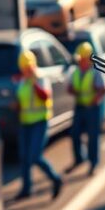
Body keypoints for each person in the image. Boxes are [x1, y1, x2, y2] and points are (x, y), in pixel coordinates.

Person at [15, 49, 63, 201]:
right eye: (24, 67)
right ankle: (26, 189)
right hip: (25, 122)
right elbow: (22, 100)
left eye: (28, 67)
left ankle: (56, 179)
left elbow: (45, 96)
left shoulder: (40, 78)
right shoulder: (21, 81)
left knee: (35, 156)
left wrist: (34, 82)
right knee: (24, 158)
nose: (26, 70)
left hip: (40, 121)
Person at [66, 42, 105, 176]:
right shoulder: (76, 71)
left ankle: (93, 163)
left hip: (93, 108)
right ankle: (79, 158)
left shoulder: (96, 71)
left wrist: (95, 98)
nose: (79, 60)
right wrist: (72, 90)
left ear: (87, 58)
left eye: (81, 58)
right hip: (80, 106)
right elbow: (71, 88)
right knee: (75, 134)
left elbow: (104, 88)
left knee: (92, 137)